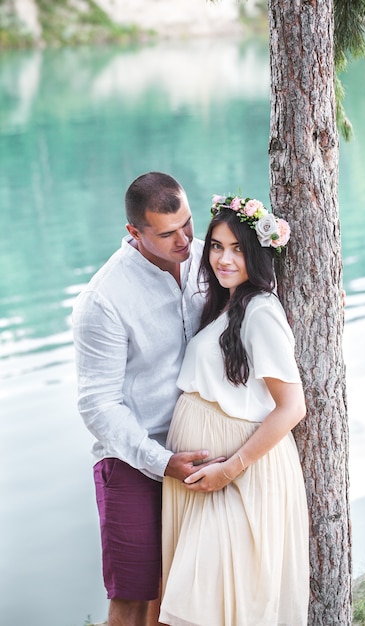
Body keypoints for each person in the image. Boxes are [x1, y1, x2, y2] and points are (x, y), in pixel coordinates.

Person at [72, 172, 219, 626]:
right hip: (133, 459)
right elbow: (97, 404)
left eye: (188, 224)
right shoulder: (103, 300)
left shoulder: (207, 260)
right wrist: (159, 461)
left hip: (203, 449)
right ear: (134, 232)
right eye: (167, 233)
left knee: (184, 592)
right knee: (135, 598)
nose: (184, 240)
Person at [159, 194, 310, 626]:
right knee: (204, 602)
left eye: (238, 249)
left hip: (240, 475)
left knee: (205, 602)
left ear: (258, 254)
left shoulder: (261, 311)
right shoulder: (225, 302)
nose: (223, 259)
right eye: (217, 246)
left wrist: (231, 468)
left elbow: (291, 407)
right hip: (208, 474)